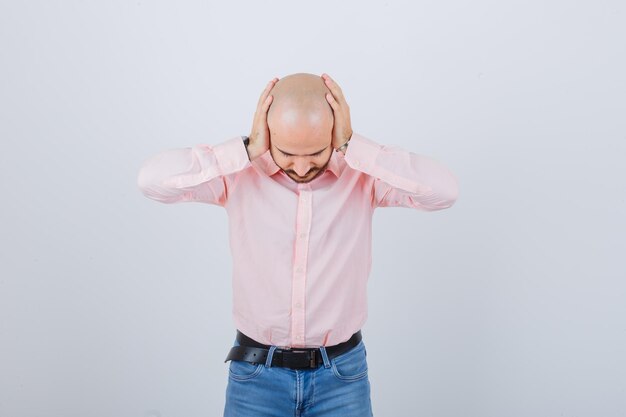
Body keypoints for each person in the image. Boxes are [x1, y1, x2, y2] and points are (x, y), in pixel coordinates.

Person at [137, 72, 459, 416]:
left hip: (342, 377)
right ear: (268, 135)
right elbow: (151, 181)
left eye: (316, 152)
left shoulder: (362, 176)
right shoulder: (239, 176)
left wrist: (356, 146)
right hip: (256, 377)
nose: (302, 167)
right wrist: (244, 150)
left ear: (335, 134)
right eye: (287, 153)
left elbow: (444, 191)